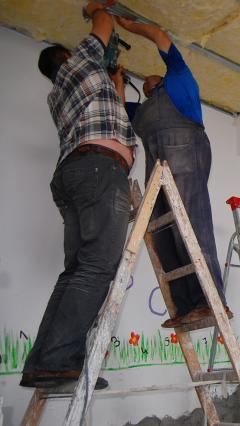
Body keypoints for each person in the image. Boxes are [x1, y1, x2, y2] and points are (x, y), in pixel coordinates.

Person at [20, 1, 135, 389]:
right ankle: (58, 360)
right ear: (67, 58)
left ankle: (45, 362)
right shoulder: (79, 63)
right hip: (99, 170)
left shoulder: (60, 94)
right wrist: (98, 9)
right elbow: (103, 25)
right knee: (98, 266)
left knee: (77, 270)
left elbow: (109, 110)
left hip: (76, 175)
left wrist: (116, 84)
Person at [116, 17, 231, 328]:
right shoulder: (141, 111)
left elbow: (159, 34)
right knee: (163, 234)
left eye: (151, 78)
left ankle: (209, 301)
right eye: (142, 84)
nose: (146, 81)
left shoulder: (180, 81)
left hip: (186, 156)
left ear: (163, 77)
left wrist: (126, 25)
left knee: (190, 227)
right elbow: (119, 105)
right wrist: (117, 78)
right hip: (158, 171)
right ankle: (185, 305)